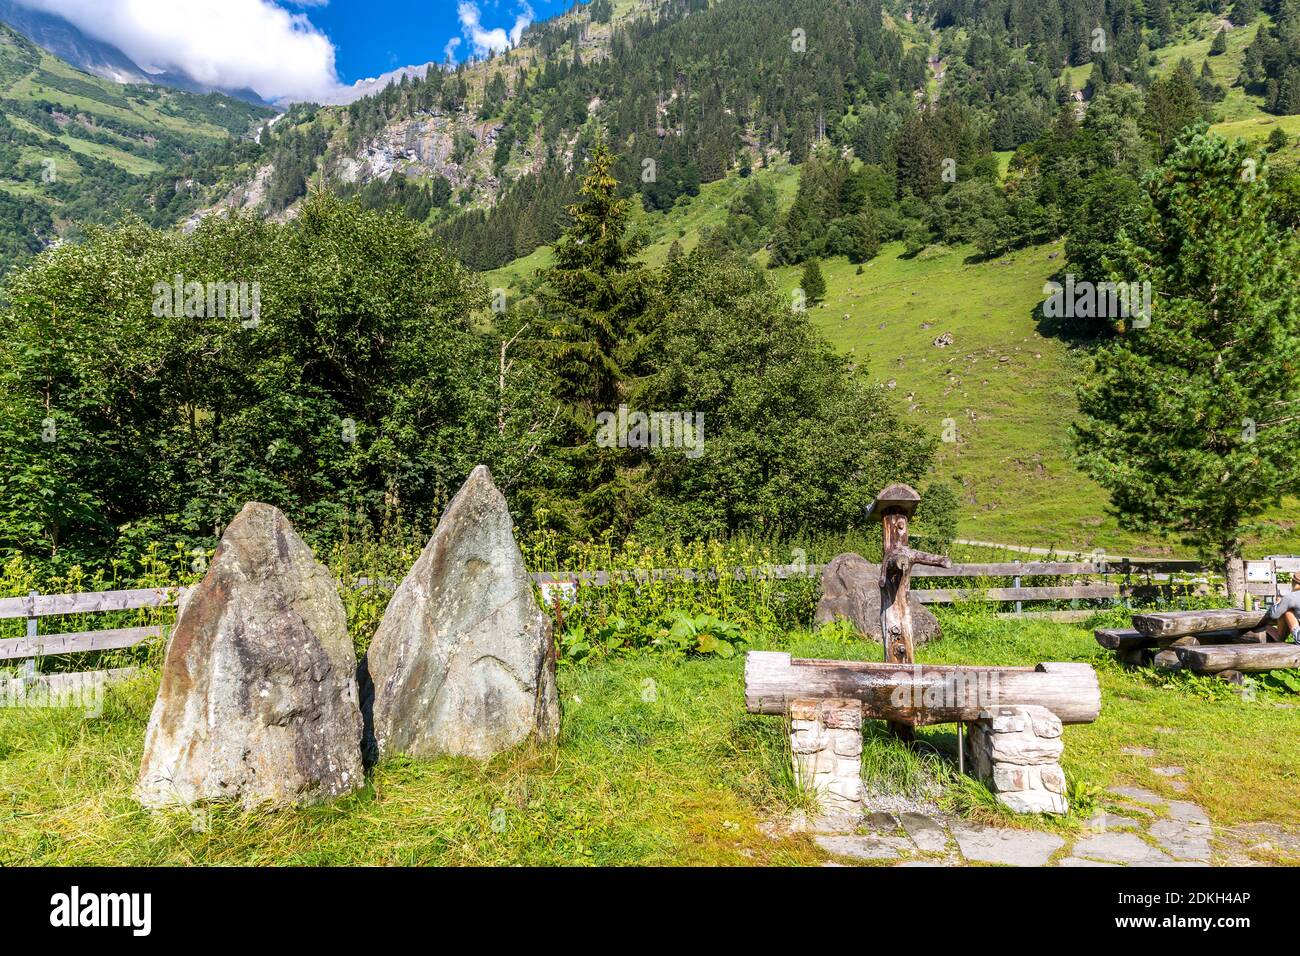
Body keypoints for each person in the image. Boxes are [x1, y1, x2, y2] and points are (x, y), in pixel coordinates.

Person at [1264, 571, 1300, 642]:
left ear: (1293, 582)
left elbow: (1274, 615)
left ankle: (1279, 638)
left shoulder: (1291, 597)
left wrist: (1278, 602)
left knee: (1287, 611)